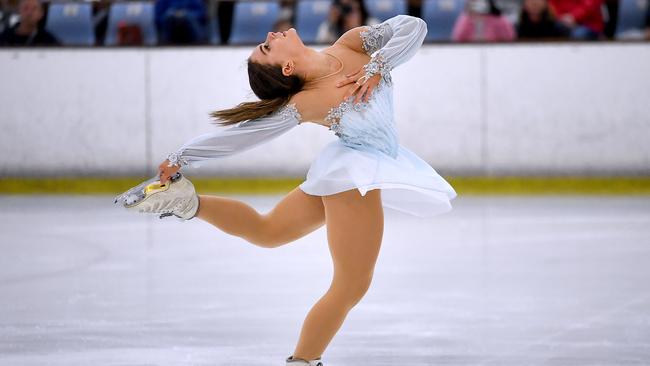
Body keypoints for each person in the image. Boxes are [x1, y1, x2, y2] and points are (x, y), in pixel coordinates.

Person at [115, 15, 456, 366]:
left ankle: (187, 203)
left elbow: (414, 27)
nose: (269, 34)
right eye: (267, 47)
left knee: (268, 231)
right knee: (351, 285)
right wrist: (180, 156)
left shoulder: (353, 43)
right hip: (355, 177)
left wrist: (377, 65)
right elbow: (244, 135)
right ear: (288, 66)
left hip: (357, 168)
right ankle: (304, 360)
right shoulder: (307, 102)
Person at [451, 0, 516, 42]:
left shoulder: (498, 19)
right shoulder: (465, 19)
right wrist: (468, 17)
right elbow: (457, 38)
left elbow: (510, 39)